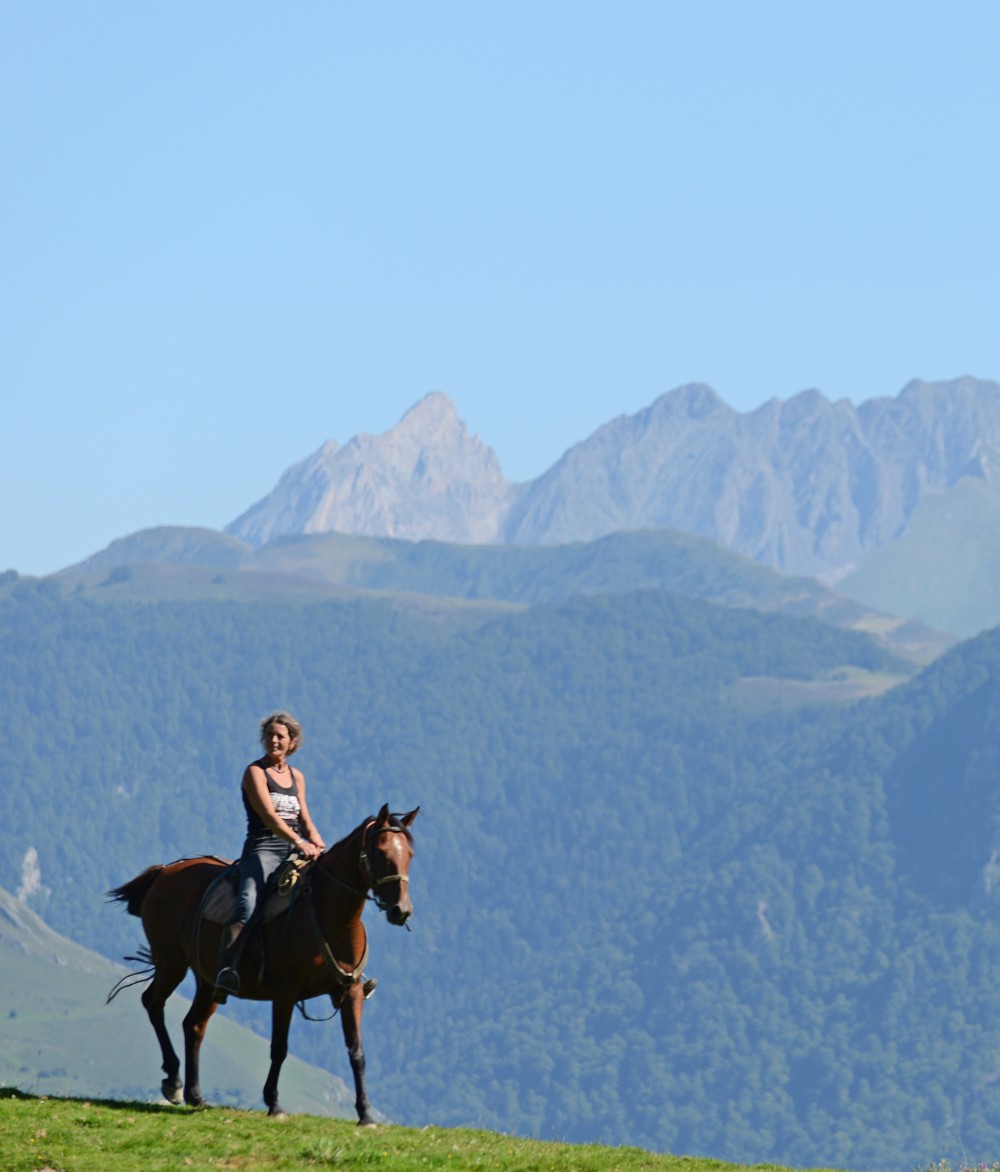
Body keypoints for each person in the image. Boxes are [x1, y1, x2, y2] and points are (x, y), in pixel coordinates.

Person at [214, 711, 325, 998]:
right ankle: (228, 969)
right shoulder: (255, 772)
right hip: (262, 848)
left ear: (292, 742)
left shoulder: (296, 776)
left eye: (280, 736)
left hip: (293, 848)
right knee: (248, 902)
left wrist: (316, 840)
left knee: (324, 895)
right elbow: (271, 817)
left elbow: (304, 817)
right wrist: (300, 842)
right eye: (269, 735)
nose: (273, 740)